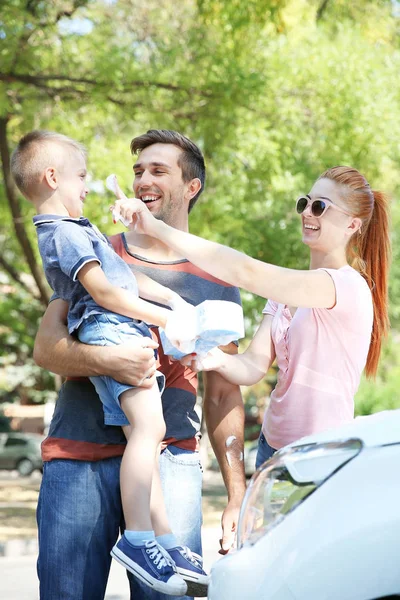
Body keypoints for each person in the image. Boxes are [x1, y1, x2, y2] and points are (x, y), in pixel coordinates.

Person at [31, 129, 246, 600]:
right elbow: (46, 349)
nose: (143, 179)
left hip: (171, 461)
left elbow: (225, 391)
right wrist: (111, 359)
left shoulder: (219, 277)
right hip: (78, 459)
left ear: (191, 187)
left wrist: (236, 493)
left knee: (173, 595)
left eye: (158, 170)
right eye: (138, 170)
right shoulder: (95, 251)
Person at [114, 165, 391, 468]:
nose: (307, 213)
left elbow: (244, 271)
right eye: (305, 203)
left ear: (353, 225)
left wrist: (154, 227)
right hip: (272, 450)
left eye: (320, 206)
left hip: (324, 454)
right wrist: (213, 359)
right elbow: (253, 366)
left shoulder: (347, 286)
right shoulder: (286, 295)